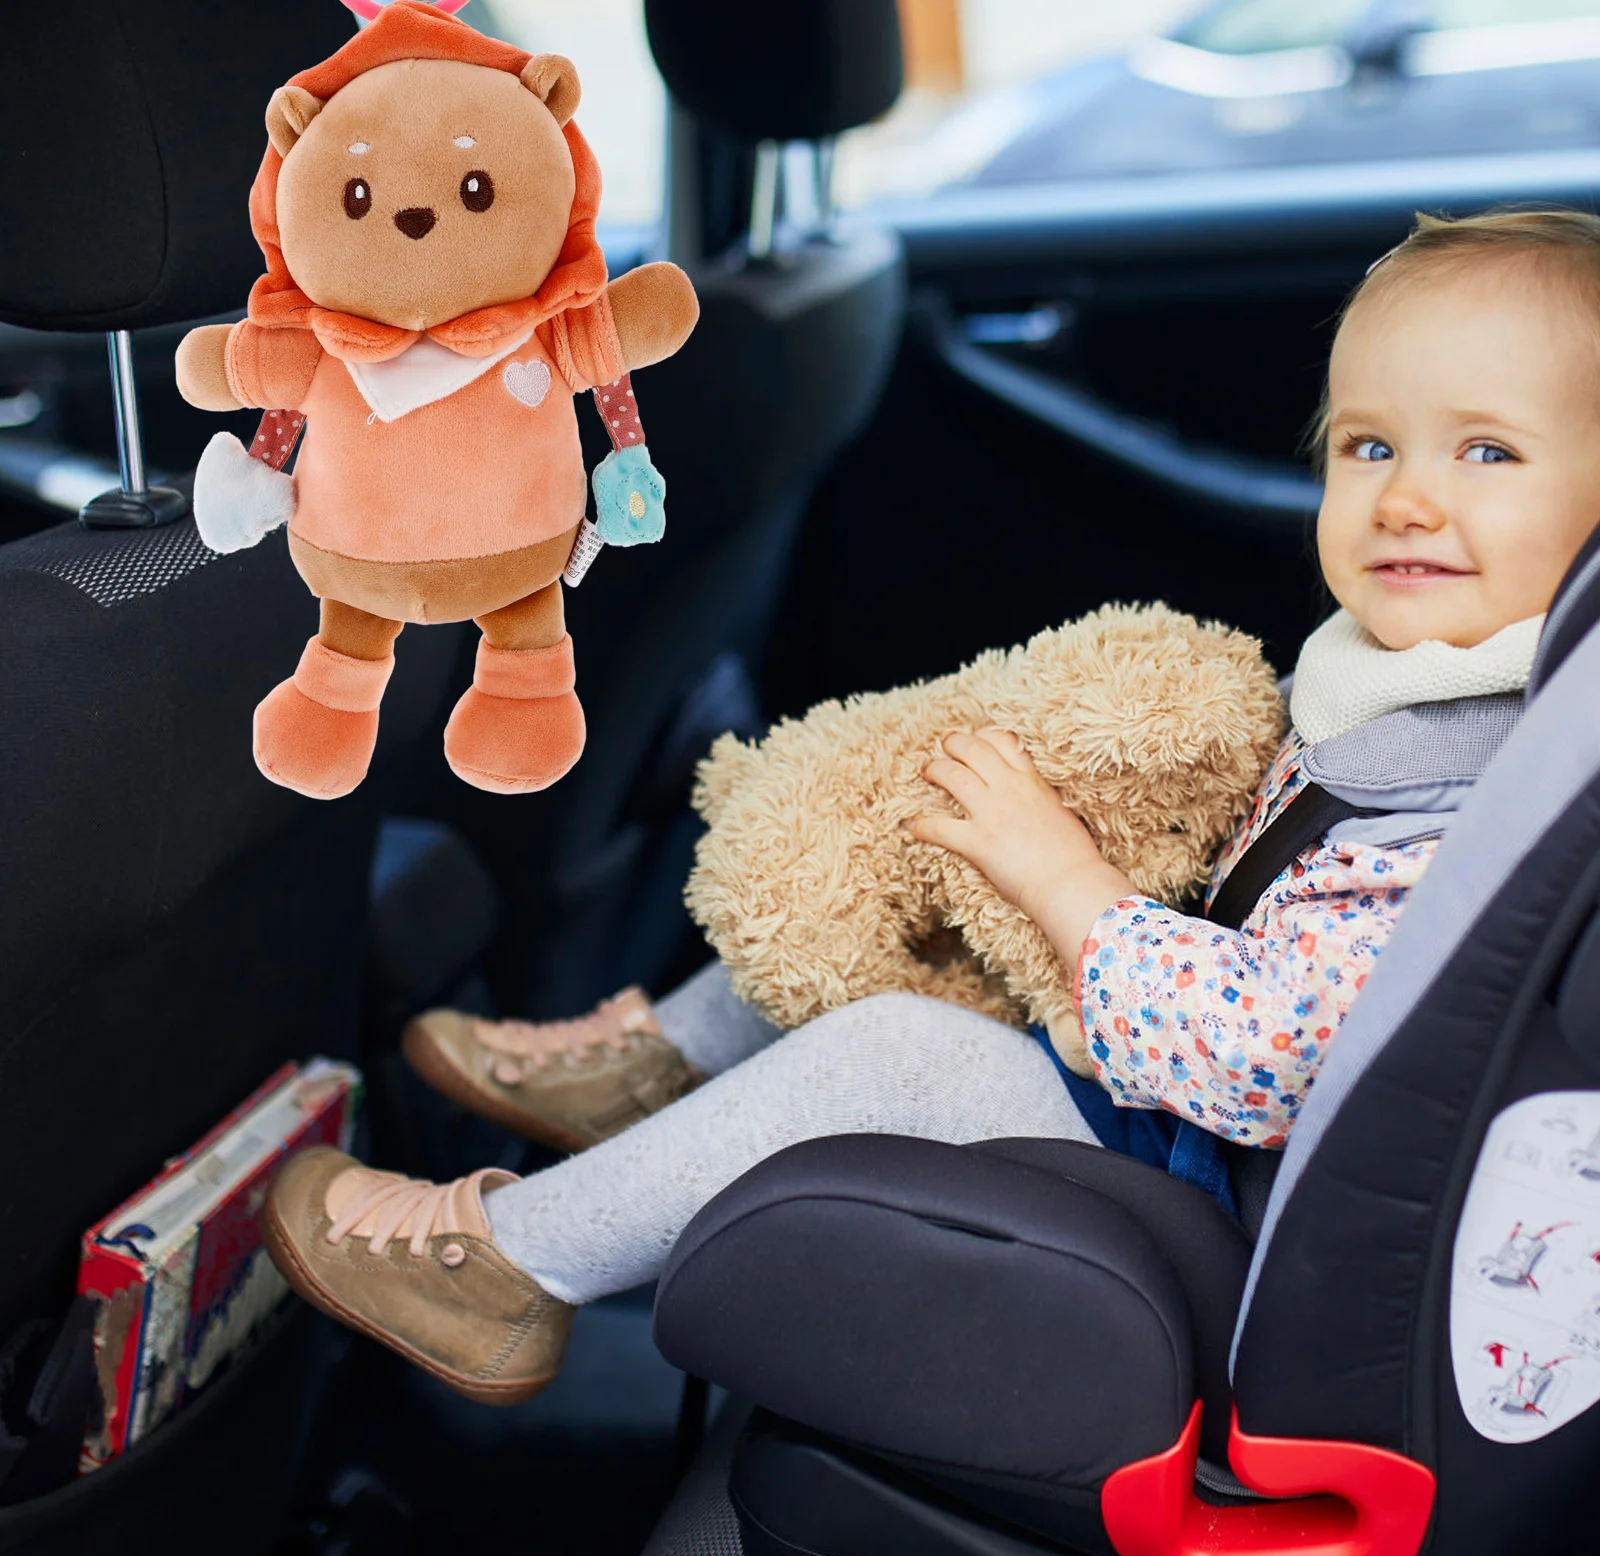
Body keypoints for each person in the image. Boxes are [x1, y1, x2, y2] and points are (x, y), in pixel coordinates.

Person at [264, 207, 1600, 1405]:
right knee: (917, 867)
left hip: (1245, 1226)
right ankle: (660, 1064)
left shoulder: (1469, 803)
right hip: (1189, 1100)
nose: (1406, 496)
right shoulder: (1423, 699)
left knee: (902, 1049)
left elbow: (1267, 1058)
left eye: (1487, 451)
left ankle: (504, 1269)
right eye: (1369, 444)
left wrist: (1066, 876)